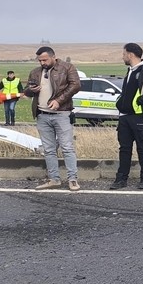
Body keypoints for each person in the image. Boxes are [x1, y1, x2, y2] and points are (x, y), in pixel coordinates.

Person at [24, 46, 81, 191]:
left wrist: (59, 101)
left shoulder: (67, 68)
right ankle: (54, 179)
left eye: (44, 59)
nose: (42, 63)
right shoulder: (35, 72)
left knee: (67, 147)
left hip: (62, 114)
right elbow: (27, 91)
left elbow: (76, 85)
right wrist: (31, 90)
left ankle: (72, 179)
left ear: (53, 56)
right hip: (42, 115)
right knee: (49, 149)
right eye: (40, 60)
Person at [110, 43, 143, 190]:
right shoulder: (131, 70)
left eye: (124, 54)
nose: (123, 56)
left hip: (140, 117)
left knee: (142, 148)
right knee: (124, 149)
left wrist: (138, 102)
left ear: (131, 54)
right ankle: (121, 179)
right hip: (125, 117)